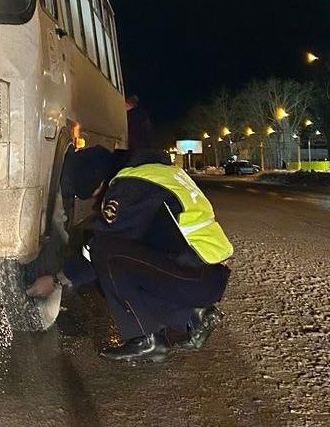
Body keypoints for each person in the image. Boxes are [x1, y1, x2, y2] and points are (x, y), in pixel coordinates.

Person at [28, 145, 233, 363]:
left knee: (105, 252)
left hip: (190, 275)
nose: (96, 198)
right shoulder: (156, 172)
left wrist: (55, 280)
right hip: (201, 272)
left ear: (98, 180)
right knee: (118, 271)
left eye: (93, 192)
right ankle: (193, 315)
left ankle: (146, 339)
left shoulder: (129, 185)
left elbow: (97, 250)